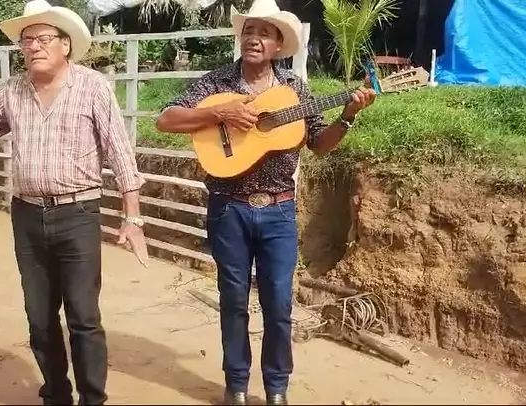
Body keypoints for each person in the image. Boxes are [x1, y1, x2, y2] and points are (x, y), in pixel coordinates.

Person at [0, 0, 149, 404]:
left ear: (66, 45)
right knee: (40, 317)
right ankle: (56, 395)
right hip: (27, 214)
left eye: (43, 38)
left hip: (78, 213)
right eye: (26, 41)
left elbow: (120, 153)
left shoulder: (92, 87)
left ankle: (93, 399)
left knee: (83, 317)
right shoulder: (13, 90)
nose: (33, 47)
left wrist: (133, 219)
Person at [155, 0, 377, 404]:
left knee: (278, 304)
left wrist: (347, 116)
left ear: (278, 45)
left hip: (278, 210)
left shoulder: (295, 89)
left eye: (264, 33)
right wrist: (220, 114)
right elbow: (166, 119)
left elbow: (319, 144)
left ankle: (276, 389)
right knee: (233, 301)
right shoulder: (218, 82)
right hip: (228, 208)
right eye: (249, 30)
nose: (254, 38)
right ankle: (236, 386)